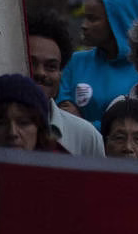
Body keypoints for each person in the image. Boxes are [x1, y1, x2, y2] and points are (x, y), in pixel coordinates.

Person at [57, 0, 138, 121]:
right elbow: (62, 115)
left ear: (119, 21)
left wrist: (84, 124)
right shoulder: (75, 62)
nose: (84, 25)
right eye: (84, 18)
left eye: (92, 19)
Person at [20, 12, 105, 156]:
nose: (40, 73)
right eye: (31, 63)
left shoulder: (86, 137)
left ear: (61, 74)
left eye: (51, 66)